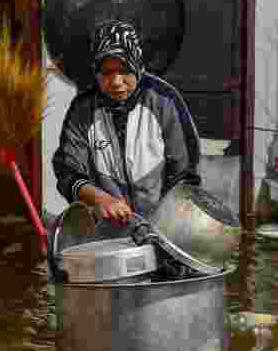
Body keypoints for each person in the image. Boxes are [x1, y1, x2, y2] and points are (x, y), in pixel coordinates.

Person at [53, 20, 202, 225]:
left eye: (124, 70)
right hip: (106, 232)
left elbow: (185, 172)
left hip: (163, 228)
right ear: (95, 72)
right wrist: (100, 198)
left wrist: (166, 222)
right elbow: (68, 171)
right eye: (106, 72)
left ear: (137, 65)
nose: (115, 82)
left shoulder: (164, 101)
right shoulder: (83, 110)